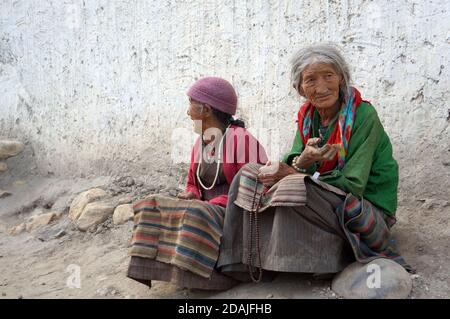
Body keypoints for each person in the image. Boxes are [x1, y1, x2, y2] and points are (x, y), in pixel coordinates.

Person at [217, 44, 411, 282]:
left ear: (341, 78)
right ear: (299, 88)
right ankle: (241, 260)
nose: (321, 87)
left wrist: (296, 173)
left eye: (328, 76)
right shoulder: (308, 116)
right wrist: (301, 162)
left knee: (295, 187)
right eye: (310, 80)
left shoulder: (363, 116)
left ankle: (315, 261)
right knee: (249, 173)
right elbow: (297, 160)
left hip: (363, 207)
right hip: (325, 196)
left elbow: (353, 184)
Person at [127, 76, 267, 290]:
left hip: (233, 213)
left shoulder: (241, 139)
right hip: (205, 208)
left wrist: (214, 203)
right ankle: (166, 270)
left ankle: (208, 277)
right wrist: (192, 193)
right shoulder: (201, 142)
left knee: (195, 213)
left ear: (206, 109)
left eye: (191, 104)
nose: (188, 112)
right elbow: (193, 183)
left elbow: (255, 186)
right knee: (150, 204)